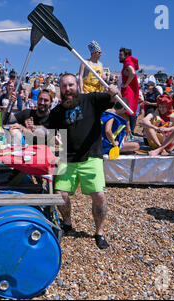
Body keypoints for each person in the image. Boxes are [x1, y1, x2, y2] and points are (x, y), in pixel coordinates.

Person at [48, 73, 121, 249]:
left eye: (71, 85)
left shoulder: (92, 99)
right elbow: (49, 132)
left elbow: (118, 102)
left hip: (91, 156)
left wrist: (114, 91)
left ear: (77, 85)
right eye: (64, 86)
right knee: (60, 195)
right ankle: (67, 222)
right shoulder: (57, 111)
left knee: (99, 196)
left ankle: (99, 232)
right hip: (68, 158)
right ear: (60, 88)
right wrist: (52, 138)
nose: (67, 89)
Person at [119, 48, 140, 140]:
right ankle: (129, 133)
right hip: (129, 90)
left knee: (125, 111)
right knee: (125, 112)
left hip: (128, 91)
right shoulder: (128, 62)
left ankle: (128, 134)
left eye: (120, 55)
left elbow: (132, 72)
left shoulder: (127, 61)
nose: (119, 57)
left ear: (126, 55)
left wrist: (126, 84)